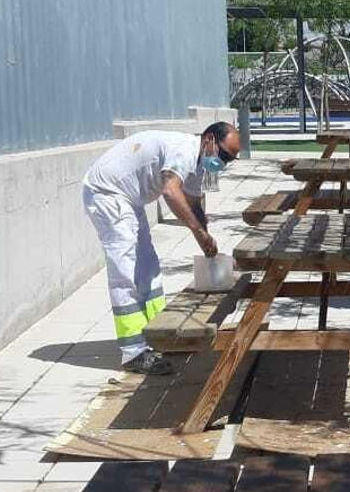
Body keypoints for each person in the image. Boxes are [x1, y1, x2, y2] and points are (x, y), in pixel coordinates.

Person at [81, 122, 240, 374]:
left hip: (129, 198)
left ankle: (160, 335)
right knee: (127, 270)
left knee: (148, 265)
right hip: (107, 193)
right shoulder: (184, 151)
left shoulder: (200, 163)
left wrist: (209, 244)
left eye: (230, 160)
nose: (223, 163)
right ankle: (133, 351)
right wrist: (198, 232)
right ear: (209, 139)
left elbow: (194, 204)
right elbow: (170, 191)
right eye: (223, 155)